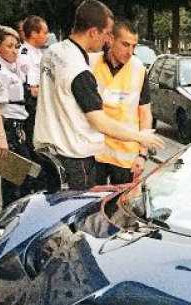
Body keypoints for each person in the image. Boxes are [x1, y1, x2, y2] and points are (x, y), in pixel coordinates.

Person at [34, 0, 164, 191]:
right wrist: (140, 137)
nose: (106, 40)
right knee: (81, 215)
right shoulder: (81, 69)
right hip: (74, 158)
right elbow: (99, 121)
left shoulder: (52, 53)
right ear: (93, 32)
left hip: (50, 151)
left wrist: (141, 154)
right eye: (106, 33)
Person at [91, 21, 152, 185]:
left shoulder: (139, 69)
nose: (130, 52)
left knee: (121, 206)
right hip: (94, 152)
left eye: (134, 46)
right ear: (111, 39)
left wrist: (143, 154)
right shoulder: (91, 64)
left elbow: (145, 113)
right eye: (125, 45)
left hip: (126, 155)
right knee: (92, 206)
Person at [0, 25, 33, 208]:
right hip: (7, 128)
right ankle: (10, 221)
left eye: (16, 46)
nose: (14, 50)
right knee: (15, 182)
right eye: (9, 46)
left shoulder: (9, 69)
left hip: (14, 128)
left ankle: (14, 216)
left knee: (20, 179)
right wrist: (2, 137)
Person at [16, 15, 48, 154]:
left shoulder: (37, 53)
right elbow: (30, 90)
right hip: (29, 111)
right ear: (34, 34)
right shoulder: (25, 56)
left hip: (38, 110)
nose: (47, 36)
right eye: (45, 32)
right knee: (31, 151)